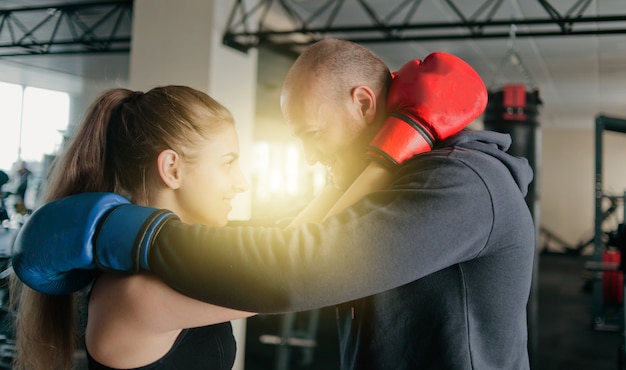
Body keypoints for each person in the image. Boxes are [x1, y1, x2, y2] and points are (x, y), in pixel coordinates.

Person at [13, 39, 535, 369]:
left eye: (311, 134)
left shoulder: (460, 183)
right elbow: (291, 247)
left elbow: (296, 264)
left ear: (362, 103)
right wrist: (393, 146)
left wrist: (128, 232)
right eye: (227, 163)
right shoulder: (401, 181)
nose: (309, 158)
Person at [10, 86, 254, 370]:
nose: (241, 183)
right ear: (172, 169)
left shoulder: (162, 269)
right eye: (228, 164)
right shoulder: (136, 291)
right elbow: (297, 280)